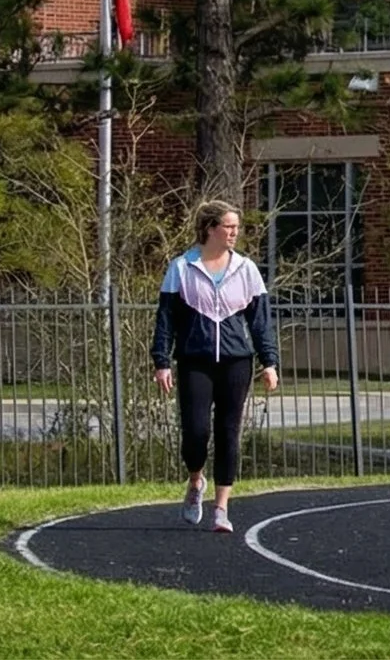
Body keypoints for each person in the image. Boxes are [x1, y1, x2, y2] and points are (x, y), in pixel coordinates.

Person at [151, 201, 281, 532]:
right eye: (228, 226)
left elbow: (260, 322)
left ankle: (221, 508)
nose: (234, 232)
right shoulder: (181, 268)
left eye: (236, 227)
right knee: (195, 431)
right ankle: (196, 480)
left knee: (228, 431)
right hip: (195, 359)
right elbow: (166, 318)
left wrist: (269, 361)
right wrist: (162, 361)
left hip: (237, 360)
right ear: (210, 228)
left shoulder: (247, 269)